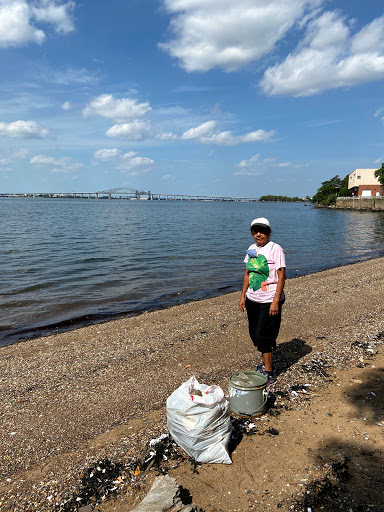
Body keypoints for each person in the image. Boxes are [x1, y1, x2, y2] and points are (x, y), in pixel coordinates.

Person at [239, 217, 286, 386]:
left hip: (269, 299)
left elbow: (281, 276)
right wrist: (242, 295)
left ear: (269, 232)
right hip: (253, 298)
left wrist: (275, 301)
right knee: (254, 334)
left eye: (262, 231)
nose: (259, 234)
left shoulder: (275, 249)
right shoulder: (251, 249)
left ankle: (269, 372)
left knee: (263, 335)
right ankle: (266, 361)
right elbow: (247, 273)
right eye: (255, 231)